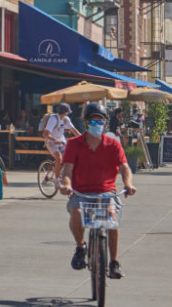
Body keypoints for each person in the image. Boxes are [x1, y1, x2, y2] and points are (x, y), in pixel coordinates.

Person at [58, 102, 136, 281]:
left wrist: (128, 184)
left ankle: (114, 262)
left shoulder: (113, 145)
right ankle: (80, 247)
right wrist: (66, 185)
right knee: (76, 214)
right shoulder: (74, 144)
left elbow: (124, 168)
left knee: (111, 219)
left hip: (106, 193)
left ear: (105, 123)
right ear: (86, 124)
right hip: (81, 193)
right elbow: (67, 169)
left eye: (99, 122)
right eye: (92, 122)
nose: (96, 125)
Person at [43, 103, 80, 182]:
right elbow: (45, 134)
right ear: (65, 112)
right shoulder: (53, 119)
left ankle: (60, 170)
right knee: (59, 158)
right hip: (51, 141)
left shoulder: (66, 119)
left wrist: (83, 139)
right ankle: (57, 179)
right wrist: (54, 140)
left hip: (61, 141)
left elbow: (74, 130)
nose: (67, 114)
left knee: (70, 156)